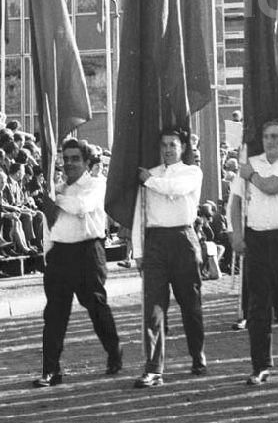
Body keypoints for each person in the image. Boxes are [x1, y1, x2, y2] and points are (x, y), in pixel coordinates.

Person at [32, 139, 122, 387]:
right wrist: (48, 254)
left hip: (87, 252)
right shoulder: (58, 188)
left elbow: (82, 205)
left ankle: (114, 352)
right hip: (60, 255)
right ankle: (50, 370)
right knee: (54, 314)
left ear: (86, 162)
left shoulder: (96, 184)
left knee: (96, 306)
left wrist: (53, 200)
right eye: (66, 158)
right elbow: (51, 227)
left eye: (75, 158)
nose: (69, 163)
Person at [230, 120, 278, 386]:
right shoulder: (251, 160)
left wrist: (250, 174)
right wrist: (237, 235)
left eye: (276, 136)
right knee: (257, 305)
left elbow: (273, 186)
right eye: (266, 136)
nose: (271, 141)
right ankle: (261, 364)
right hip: (257, 239)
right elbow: (236, 201)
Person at [131, 128, 207, 388]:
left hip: (183, 240)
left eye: (173, 144)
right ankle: (154, 368)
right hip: (155, 243)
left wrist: (148, 180)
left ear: (182, 147)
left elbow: (175, 189)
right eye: (163, 144)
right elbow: (139, 216)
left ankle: (197, 355)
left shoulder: (191, 172)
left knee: (190, 304)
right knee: (154, 307)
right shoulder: (150, 174)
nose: (167, 149)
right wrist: (138, 252)